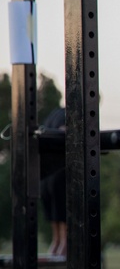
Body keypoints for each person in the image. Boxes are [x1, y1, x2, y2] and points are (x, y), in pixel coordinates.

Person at [39, 107, 67, 256]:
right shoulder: (70, 115)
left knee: (56, 239)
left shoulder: (54, 113)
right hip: (60, 177)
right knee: (65, 239)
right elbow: (64, 131)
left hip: (46, 179)